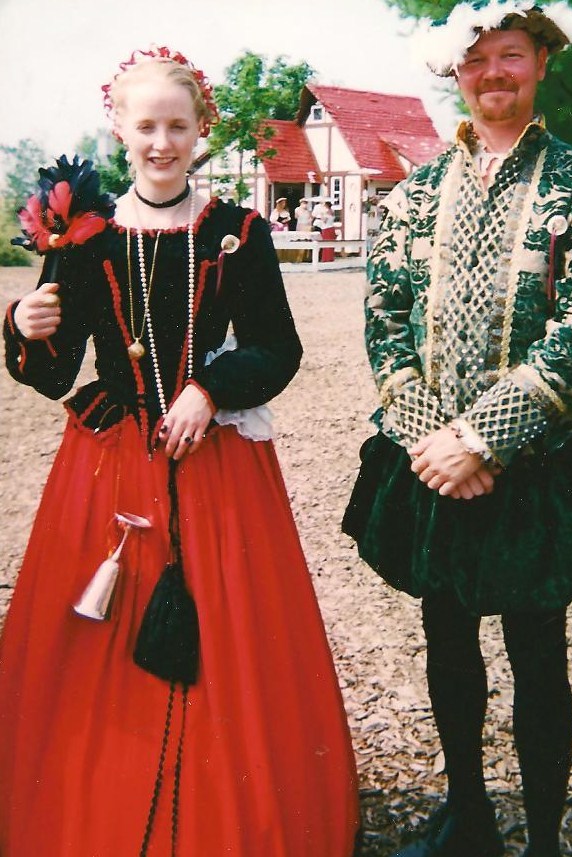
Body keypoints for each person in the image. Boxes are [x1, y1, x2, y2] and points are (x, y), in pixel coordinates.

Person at [0, 46, 359, 857]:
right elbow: (54, 369)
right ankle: (102, 806)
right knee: (101, 639)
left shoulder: (238, 231)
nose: (162, 142)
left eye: (178, 125)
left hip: (217, 464)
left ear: (203, 129)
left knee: (232, 640)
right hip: (111, 461)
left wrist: (210, 387)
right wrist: (21, 329)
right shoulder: (84, 236)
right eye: (146, 126)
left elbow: (277, 347)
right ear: (120, 129)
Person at [343, 3, 572, 857]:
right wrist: (433, 442)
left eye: (511, 56)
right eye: (478, 59)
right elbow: (385, 319)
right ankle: (469, 818)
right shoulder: (415, 193)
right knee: (447, 636)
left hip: (533, 462)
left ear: (540, 63)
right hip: (429, 460)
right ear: (455, 73)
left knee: (539, 649)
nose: (494, 72)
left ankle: (544, 841)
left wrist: (485, 438)